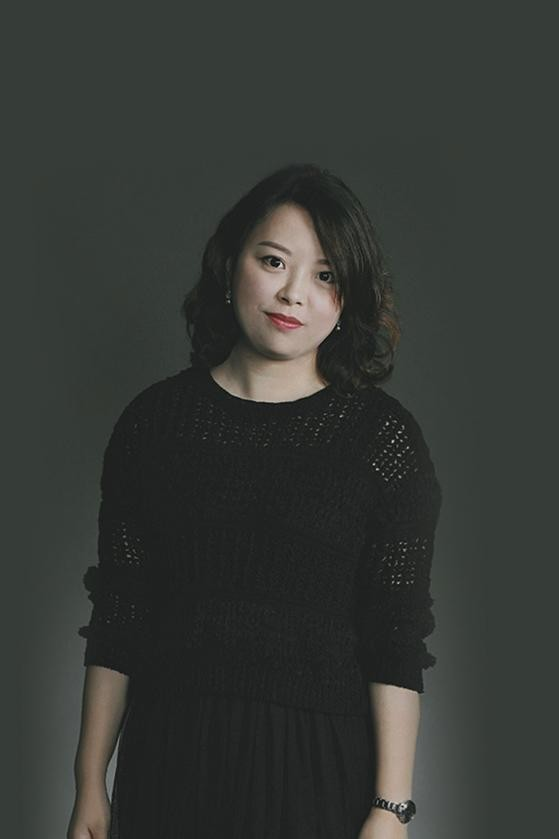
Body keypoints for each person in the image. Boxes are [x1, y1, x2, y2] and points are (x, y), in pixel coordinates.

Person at [67, 163, 443, 839]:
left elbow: (395, 638)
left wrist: (390, 809)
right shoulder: (153, 425)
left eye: (326, 275)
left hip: (319, 775)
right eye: (273, 261)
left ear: (348, 300)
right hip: (170, 763)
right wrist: (90, 780)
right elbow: (121, 612)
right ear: (229, 264)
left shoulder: (382, 441)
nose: (293, 292)